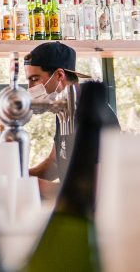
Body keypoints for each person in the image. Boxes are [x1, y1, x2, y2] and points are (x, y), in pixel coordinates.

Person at [24, 41, 120, 199]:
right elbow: (55, 163)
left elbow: (98, 188)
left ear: (60, 75)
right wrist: (20, 176)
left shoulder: (95, 116)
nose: (29, 88)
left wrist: (35, 187)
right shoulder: (63, 110)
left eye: (34, 78)